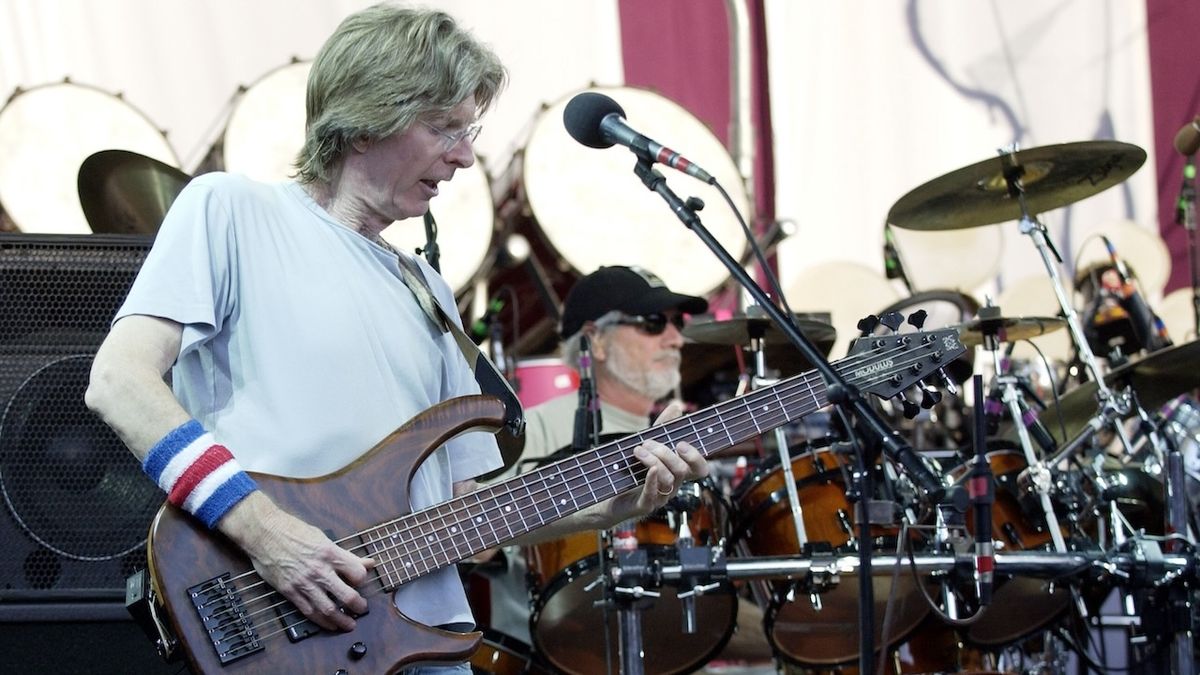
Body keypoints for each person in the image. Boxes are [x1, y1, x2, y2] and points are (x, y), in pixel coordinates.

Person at [83, 6, 704, 674]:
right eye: (443, 128)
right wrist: (266, 532)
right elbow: (119, 382)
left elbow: (462, 512)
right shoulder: (232, 209)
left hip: (421, 647)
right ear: (364, 119)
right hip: (283, 631)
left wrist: (615, 501)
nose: (465, 156)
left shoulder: (428, 292)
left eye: (467, 131)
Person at [484, 266, 772, 669]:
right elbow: (475, 548)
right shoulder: (529, 430)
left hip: (667, 643)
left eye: (677, 323)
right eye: (653, 323)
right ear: (595, 340)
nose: (675, 338)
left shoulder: (677, 435)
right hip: (551, 654)